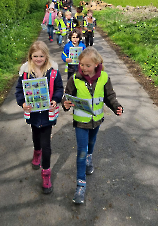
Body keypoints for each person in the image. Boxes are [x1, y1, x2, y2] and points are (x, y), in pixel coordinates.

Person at [61, 47, 123, 204]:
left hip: (97, 120)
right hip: (81, 123)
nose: (83, 68)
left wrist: (116, 107)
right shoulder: (74, 78)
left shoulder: (104, 77)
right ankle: (80, 185)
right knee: (81, 151)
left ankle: (90, 157)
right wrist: (65, 104)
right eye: (81, 64)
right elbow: (66, 96)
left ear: (97, 64)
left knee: (91, 143)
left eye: (87, 65)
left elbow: (110, 96)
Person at [15, 41, 64, 194]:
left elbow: (59, 89)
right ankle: (37, 152)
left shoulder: (53, 72)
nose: (38, 58)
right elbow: (19, 91)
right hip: (34, 114)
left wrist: (56, 100)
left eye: (41, 56)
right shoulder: (25, 73)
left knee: (46, 145)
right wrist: (23, 103)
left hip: (48, 114)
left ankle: (46, 173)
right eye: (35, 56)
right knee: (36, 137)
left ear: (46, 56)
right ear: (30, 56)